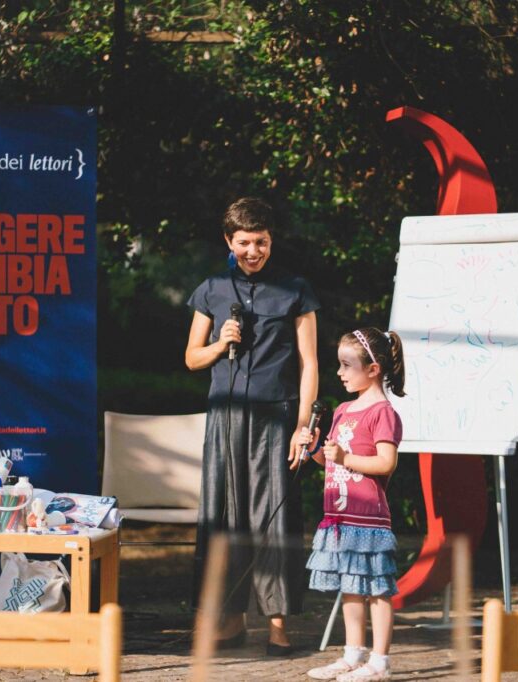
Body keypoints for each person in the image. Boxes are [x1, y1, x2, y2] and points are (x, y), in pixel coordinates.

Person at [185, 197, 319, 655]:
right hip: (225, 416)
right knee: (224, 516)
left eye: (260, 242)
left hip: (275, 416)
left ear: (271, 240)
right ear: (229, 241)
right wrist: (219, 343)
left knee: (272, 519)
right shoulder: (211, 289)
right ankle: (231, 620)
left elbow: (309, 363)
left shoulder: (295, 290)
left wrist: (303, 425)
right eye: (244, 242)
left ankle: (278, 627)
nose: (253, 251)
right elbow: (191, 358)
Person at [300, 327, 405, 682]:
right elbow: (330, 461)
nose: (340, 373)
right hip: (339, 517)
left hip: (368, 520)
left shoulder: (383, 412)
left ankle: (380, 661)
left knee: (377, 589)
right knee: (351, 587)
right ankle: (352, 655)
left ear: (373, 369)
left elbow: (385, 463)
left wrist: (344, 458)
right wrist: (315, 448)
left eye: (347, 365)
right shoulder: (344, 409)